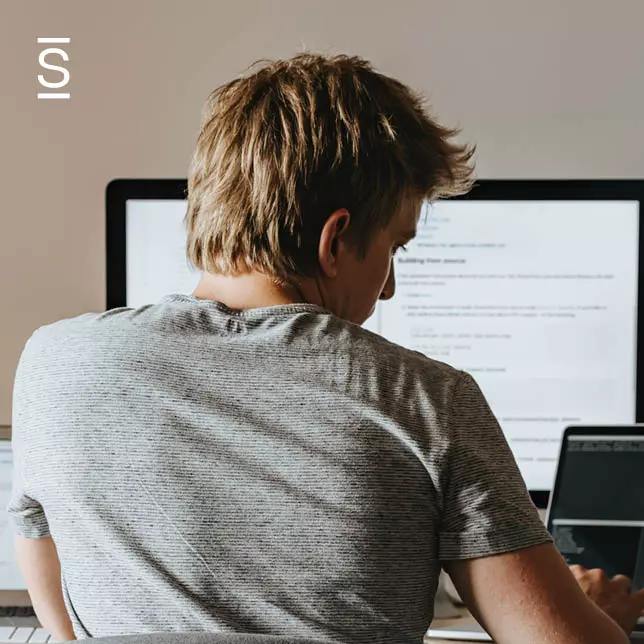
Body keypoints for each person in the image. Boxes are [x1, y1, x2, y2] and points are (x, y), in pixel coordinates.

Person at [7, 53, 644, 644]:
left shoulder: (53, 365)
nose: (389, 286)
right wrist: (600, 617)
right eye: (395, 247)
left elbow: (58, 602)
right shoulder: (427, 399)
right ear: (334, 240)